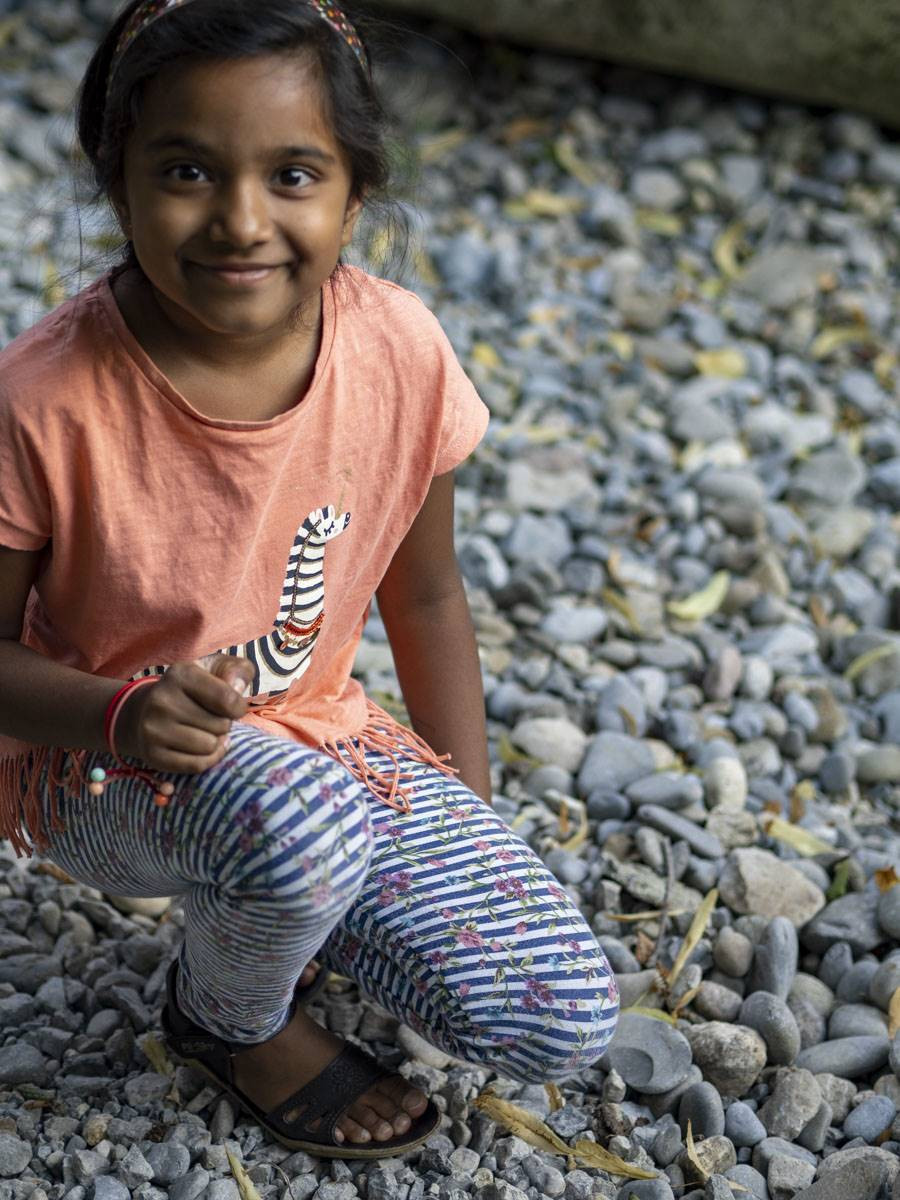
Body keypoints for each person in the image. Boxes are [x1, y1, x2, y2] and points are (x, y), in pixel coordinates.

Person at [0, 0, 618, 1159]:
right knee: (301, 824)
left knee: (556, 1015)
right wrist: (119, 712)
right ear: (117, 182)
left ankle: (277, 905)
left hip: (322, 737)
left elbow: (425, 596)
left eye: (292, 175)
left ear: (355, 194)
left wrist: (468, 818)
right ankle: (226, 1019)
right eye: (187, 170)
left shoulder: (400, 349)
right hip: (97, 759)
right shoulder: (43, 401)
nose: (242, 221)